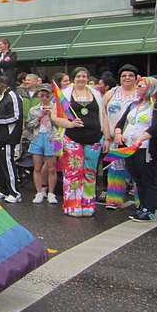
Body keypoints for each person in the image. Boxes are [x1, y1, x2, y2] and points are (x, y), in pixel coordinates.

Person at [51, 67, 107, 217]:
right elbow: (55, 116)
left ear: (88, 78)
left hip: (94, 138)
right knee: (73, 172)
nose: (81, 79)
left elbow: (104, 115)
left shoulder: (96, 94)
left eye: (84, 76)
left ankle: (88, 203)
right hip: (72, 137)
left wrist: (106, 137)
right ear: (73, 78)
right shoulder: (64, 94)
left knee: (90, 172)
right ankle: (72, 204)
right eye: (78, 76)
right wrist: (70, 124)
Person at [113, 77, 157, 221]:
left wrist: (142, 137)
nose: (138, 88)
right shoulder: (134, 105)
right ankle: (142, 205)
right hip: (130, 147)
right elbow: (121, 122)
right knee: (137, 178)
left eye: (141, 86)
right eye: (138, 86)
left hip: (148, 148)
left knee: (149, 178)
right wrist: (119, 133)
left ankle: (149, 209)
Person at [102, 64, 140, 210]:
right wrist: (106, 137)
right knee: (115, 169)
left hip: (136, 141)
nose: (127, 78)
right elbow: (103, 116)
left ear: (136, 78)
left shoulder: (141, 93)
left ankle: (141, 200)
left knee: (138, 171)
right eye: (124, 75)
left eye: (130, 75)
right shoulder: (111, 94)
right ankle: (114, 199)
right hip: (114, 140)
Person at [0, 76, 23, 203]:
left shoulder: (12, 96)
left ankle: (15, 192)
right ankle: (4, 189)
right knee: (0, 164)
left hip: (8, 137)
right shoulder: (2, 97)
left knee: (8, 164)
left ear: (3, 84)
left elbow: (15, 116)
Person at [24, 84, 61, 204]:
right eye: (42, 95)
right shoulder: (34, 109)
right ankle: (39, 192)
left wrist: (52, 115)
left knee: (51, 167)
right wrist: (39, 118)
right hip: (37, 137)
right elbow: (28, 125)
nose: (44, 97)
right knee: (37, 167)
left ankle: (51, 193)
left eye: (47, 95)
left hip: (53, 138)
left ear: (51, 95)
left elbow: (62, 125)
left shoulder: (57, 109)